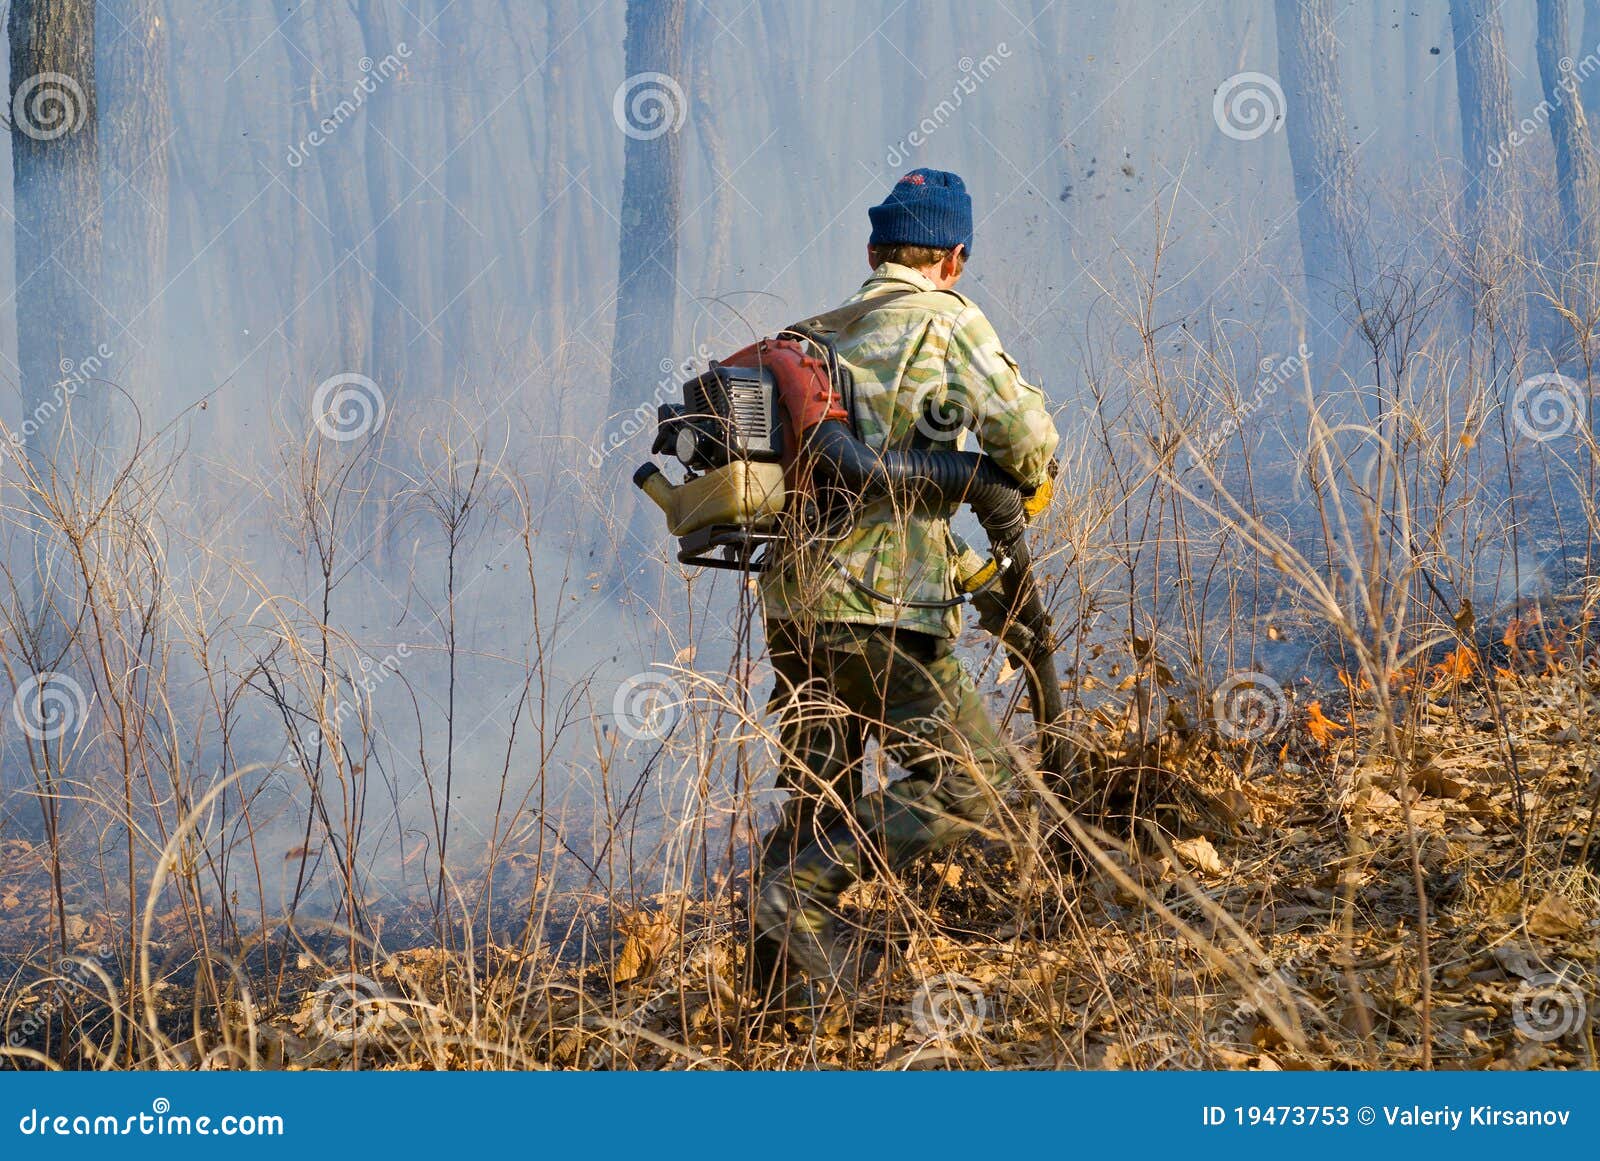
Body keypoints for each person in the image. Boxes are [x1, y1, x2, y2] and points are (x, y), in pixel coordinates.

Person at [754, 168, 1061, 992]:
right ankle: (805, 890)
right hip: (881, 609)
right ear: (953, 259)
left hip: (792, 607)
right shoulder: (947, 322)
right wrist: (1009, 478)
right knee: (976, 781)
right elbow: (1030, 443)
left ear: (872, 252)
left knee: (817, 792)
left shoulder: (817, 334)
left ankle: (774, 999)